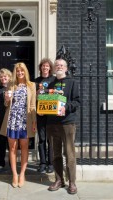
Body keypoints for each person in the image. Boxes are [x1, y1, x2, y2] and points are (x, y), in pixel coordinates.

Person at [0, 62, 37, 188]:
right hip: (12, 119)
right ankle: (14, 174)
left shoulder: (31, 85)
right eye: (18, 70)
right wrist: (6, 99)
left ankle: (22, 174)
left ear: (25, 71)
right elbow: (6, 104)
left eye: (22, 70)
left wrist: (34, 122)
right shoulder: (11, 84)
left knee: (24, 147)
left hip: (25, 120)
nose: (20, 72)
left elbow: (32, 105)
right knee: (12, 148)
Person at [46, 58, 80, 194]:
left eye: (61, 65)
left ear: (66, 68)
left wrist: (65, 107)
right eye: (57, 65)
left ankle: (72, 182)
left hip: (67, 123)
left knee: (69, 154)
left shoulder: (72, 82)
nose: (58, 67)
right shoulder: (50, 84)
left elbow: (77, 101)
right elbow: (46, 101)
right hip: (52, 123)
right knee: (55, 154)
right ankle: (59, 180)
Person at [35, 58, 55, 173]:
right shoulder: (36, 81)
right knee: (42, 139)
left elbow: (57, 94)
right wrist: (38, 93)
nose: (45, 68)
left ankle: (51, 163)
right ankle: (42, 163)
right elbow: (33, 97)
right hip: (40, 113)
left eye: (47, 66)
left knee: (50, 139)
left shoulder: (54, 79)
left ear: (50, 68)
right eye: (43, 66)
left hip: (51, 113)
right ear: (40, 68)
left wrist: (47, 92)